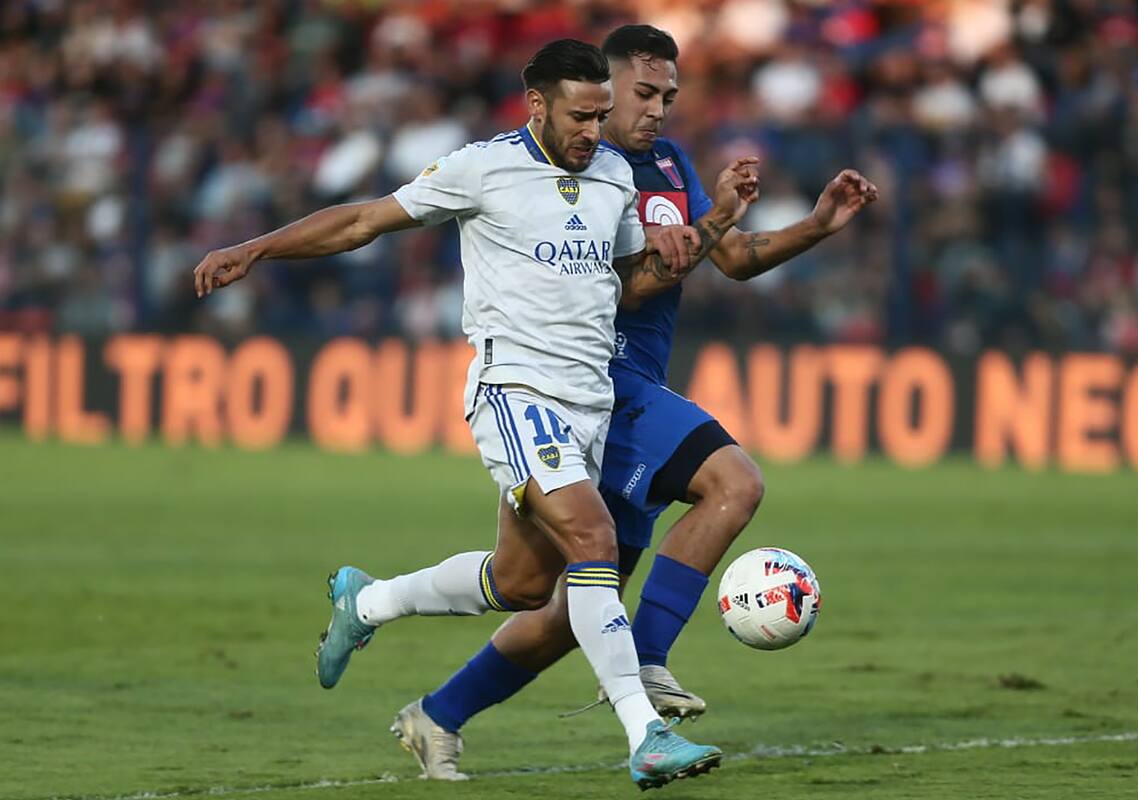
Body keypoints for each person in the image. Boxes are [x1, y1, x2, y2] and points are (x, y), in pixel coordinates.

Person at [193, 38, 759, 790]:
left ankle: (368, 601)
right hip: (516, 392)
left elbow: (632, 281)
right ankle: (645, 734)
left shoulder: (613, 175)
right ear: (537, 106)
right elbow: (363, 222)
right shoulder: (482, 168)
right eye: (580, 117)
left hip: (589, 402)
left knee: (523, 584)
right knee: (593, 540)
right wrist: (257, 249)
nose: (594, 132)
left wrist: (704, 230)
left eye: (600, 117)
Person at [390, 25, 878, 781]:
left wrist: (815, 225)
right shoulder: (572, 175)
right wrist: (707, 224)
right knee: (733, 482)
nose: (656, 110)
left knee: (564, 609)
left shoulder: (669, 164)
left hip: (625, 386)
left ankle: (436, 713)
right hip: (597, 381)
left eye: (668, 97)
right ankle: (647, 673)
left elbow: (733, 259)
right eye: (642, 93)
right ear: (600, 89)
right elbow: (613, 289)